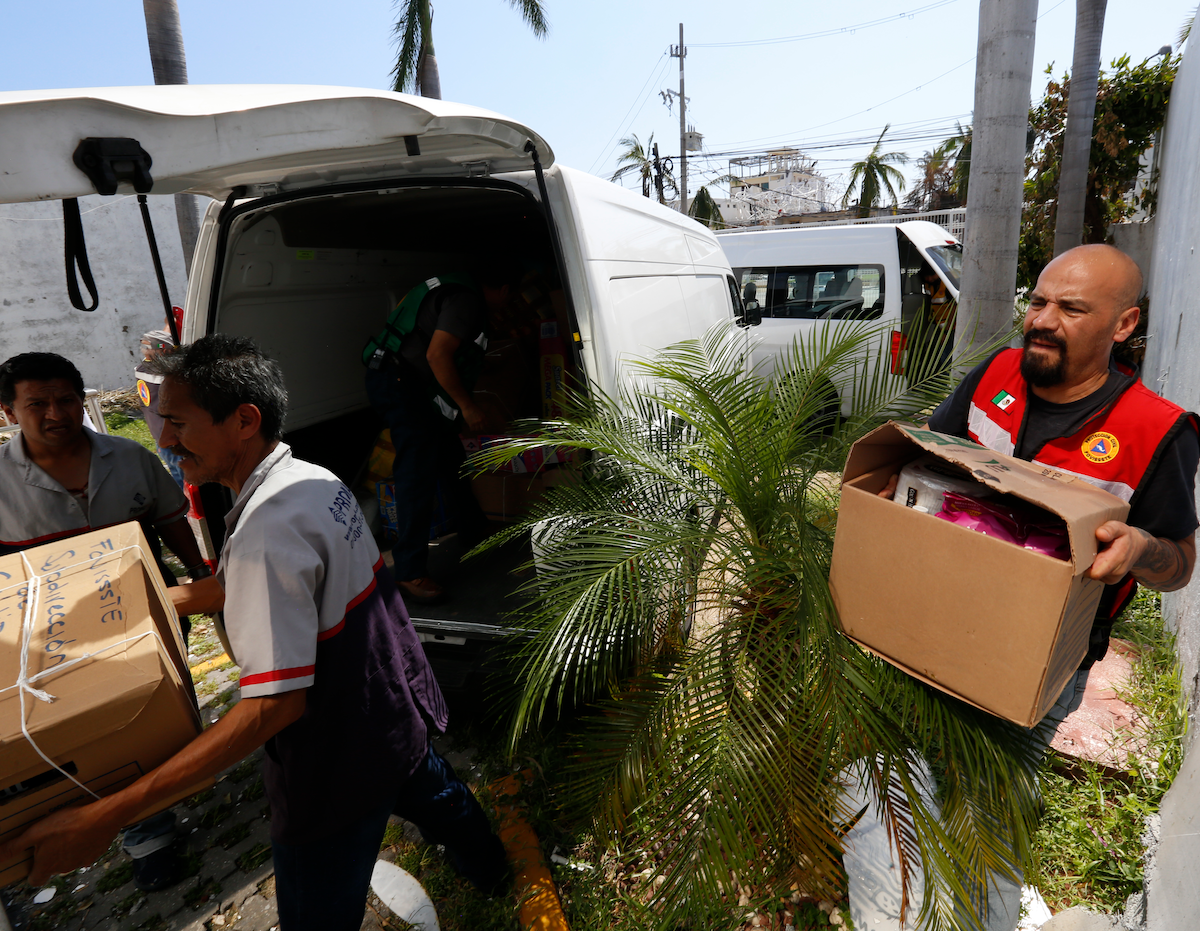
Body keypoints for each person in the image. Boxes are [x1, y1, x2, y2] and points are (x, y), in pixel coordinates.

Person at [0, 336, 508, 931]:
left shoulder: (268, 531)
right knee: (433, 792)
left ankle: (487, 868)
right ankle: (493, 870)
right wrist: (143, 606)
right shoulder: (311, 480)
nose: (165, 441)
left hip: (333, 756)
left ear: (244, 420)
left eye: (177, 423)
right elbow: (253, 583)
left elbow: (272, 706)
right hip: (388, 707)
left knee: (316, 907)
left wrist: (104, 816)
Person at [883, 244, 1199, 930]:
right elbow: (931, 454)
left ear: (1124, 324)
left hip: (1037, 664)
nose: (1044, 320)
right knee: (918, 776)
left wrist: (1140, 547)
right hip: (933, 619)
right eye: (1039, 302)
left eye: (1071, 308)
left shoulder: (1155, 431)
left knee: (989, 816)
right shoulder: (997, 373)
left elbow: (1180, 561)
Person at [0, 351, 210, 891]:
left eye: (66, 399)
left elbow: (171, 521)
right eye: (38, 404)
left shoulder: (129, 457)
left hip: (148, 616)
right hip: (55, 642)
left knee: (160, 706)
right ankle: (147, 835)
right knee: (97, 733)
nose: (56, 413)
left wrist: (200, 575)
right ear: (9, 413)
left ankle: (182, 777)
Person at [363, 265, 515, 603]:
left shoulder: (455, 287)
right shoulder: (467, 301)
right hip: (400, 384)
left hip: (402, 379)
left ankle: (473, 529)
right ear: (504, 290)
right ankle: (409, 571)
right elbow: (436, 355)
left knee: (449, 453)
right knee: (417, 473)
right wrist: (467, 406)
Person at [135, 323, 186, 490]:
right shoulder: (166, 374)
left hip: (159, 435)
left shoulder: (142, 368)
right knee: (185, 479)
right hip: (173, 437)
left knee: (178, 476)